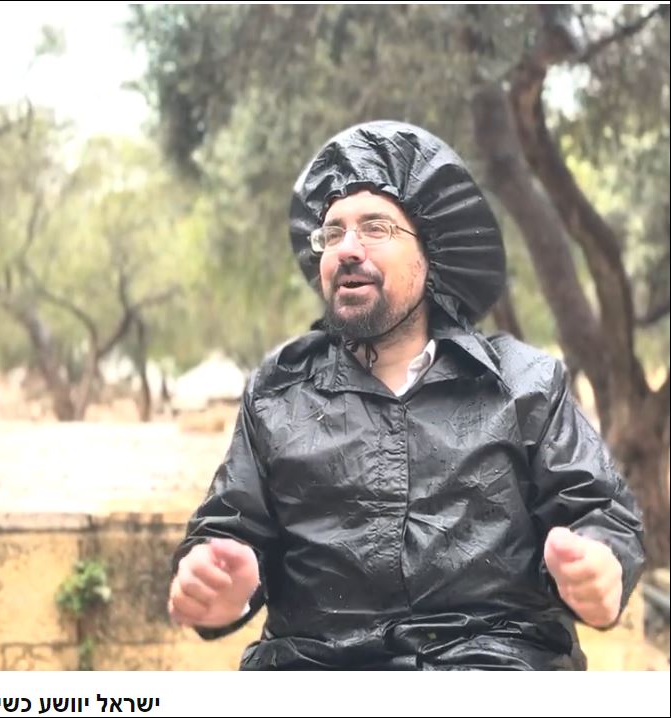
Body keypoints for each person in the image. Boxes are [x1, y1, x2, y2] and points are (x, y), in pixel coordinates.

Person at [167, 120, 645, 670]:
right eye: (332, 231)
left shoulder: (524, 385)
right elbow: (229, 531)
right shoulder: (277, 391)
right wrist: (224, 582)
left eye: (375, 227)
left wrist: (602, 562)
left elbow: (599, 511)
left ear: (430, 252)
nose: (347, 248)